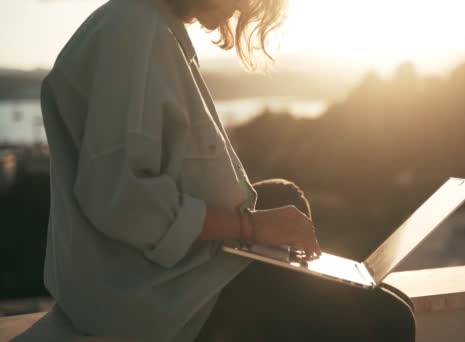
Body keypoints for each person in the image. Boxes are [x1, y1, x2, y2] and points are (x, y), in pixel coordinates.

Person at [13, 0, 415, 340]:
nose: (240, 11)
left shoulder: (152, 26)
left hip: (155, 272)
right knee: (389, 318)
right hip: (148, 299)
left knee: (282, 198)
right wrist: (252, 229)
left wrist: (258, 223)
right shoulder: (133, 31)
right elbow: (122, 198)